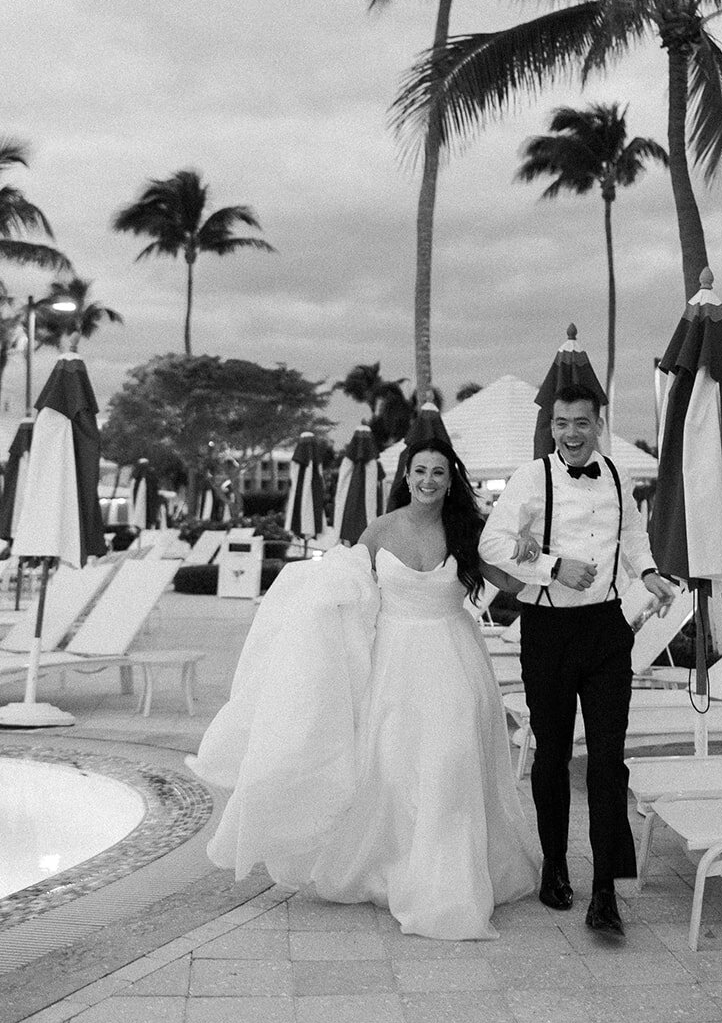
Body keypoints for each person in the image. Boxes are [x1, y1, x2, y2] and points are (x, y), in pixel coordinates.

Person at [189, 437, 539, 940]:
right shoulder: (379, 530)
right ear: (406, 475)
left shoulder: (468, 529)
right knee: (392, 764)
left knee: (450, 762)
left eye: (439, 472)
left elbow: (507, 583)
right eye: (420, 470)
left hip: (455, 660)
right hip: (393, 663)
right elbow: (343, 589)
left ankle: (449, 876)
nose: (428, 481)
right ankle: (393, 863)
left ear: (450, 479)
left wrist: (525, 550)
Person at [479, 382, 676, 938]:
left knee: (609, 761)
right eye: (562, 423)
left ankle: (606, 891)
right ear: (552, 427)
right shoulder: (530, 477)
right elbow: (491, 544)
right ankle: (556, 868)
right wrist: (552, 566)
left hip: (607, 630)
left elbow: (634, 538)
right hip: (549, 630)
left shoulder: (617, 475)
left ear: (597, 424)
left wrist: (651, 573)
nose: (571, 433)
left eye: (581, 423)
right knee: (553, 756)